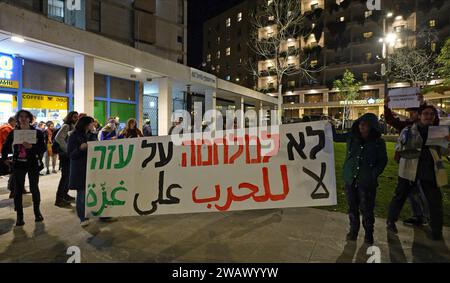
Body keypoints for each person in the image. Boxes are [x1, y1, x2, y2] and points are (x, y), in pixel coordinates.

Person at [387, 104, 449, 241]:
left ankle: (436, 230)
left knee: (435, 202)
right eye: (425, 113)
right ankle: (391, 221)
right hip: (409, 169)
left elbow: (445, 152)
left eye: (432, 114)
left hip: (430, 171)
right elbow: (399, 147)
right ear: (419, 116)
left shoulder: (438, 131)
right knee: (400, 196)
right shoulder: (409, 130)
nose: (428, 116)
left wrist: (447, 141)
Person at [333, 113, 388, 244]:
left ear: (372, 127)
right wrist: (329, 127)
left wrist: (373, 174)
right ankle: (353, 231)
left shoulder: (378, 142)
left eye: (366, 125)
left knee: (367, 209)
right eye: (360, 124)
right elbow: (335, 138)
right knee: (352, 207)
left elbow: (383, 160)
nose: (362, 127)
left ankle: (369, 234)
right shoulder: (351, 137)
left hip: (367, 182)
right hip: (350, 179)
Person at [384, 98, 431, 226]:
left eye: (413, 113)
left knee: (419, 192)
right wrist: (386, 106)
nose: (411, 115)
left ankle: (421, 216)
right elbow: (390, 120)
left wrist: (423, 104)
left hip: (421, 166)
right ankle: (392, 219)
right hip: (406, 165)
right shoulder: (405, 126)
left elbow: (432, 118)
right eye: (410, 113)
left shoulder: (427, 127)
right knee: (403, 193)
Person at [1, 110, 46, 226]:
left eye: (26, 116)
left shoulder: (37, 132)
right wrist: (5, 158)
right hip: (18, 164)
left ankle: (37, 212)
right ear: (18, 118)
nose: (24, 118)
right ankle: (19, 216)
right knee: (18, 190)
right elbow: (5, 146)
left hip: (33, 164)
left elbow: (43, 148)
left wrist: (32, 147)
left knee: (34, 188)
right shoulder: (14, 132)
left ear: (30, 118)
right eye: (21, 116)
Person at [67, 116, 95, 226]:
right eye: (92, 123)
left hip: (92, 167)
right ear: (86, 124)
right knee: (82, 194)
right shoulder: (74, 136)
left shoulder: (92, 135)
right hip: (80, 169)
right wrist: (80, 148)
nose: (94, 125)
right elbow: (71, 154)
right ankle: (82, 218)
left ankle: (102, 214)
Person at [54, 111, 79, 208]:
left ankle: (65, 195)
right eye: (74, 117)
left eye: (77, 117)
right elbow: (58, 138)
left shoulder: (72, 126)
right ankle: (59, 199)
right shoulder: (67, 126)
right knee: (65, 177)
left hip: (69, 155)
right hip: (65, 156)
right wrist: (67, 149)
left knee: (68, 176)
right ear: (70, 117)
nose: (76, 118)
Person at [0, 117, 17, 198]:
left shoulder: (4, 127)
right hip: (6, 154)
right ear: (12, 121)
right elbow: (7, 143)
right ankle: (13, 190)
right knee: (13, 172)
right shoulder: (7, 129)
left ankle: (14, 189)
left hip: (5, 153)